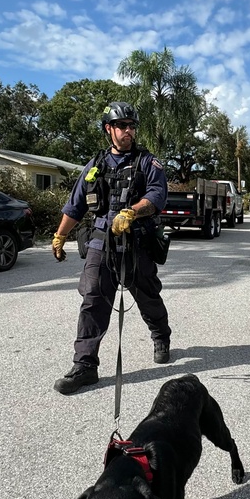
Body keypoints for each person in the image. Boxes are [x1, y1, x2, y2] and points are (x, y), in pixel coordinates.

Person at [51, 102, 171, 394]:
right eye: (122, 126)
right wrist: (59, 235)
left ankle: (160, 336)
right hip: (100, 243)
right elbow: (76, 204)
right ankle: (85, 366)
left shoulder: (147, 162)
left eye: (132, 126)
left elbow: (158, 194)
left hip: (137, 242)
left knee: (148, 296)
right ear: (109, 129)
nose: (128, 131)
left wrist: (132, 212)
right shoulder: (95, 165)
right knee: (92, 299)